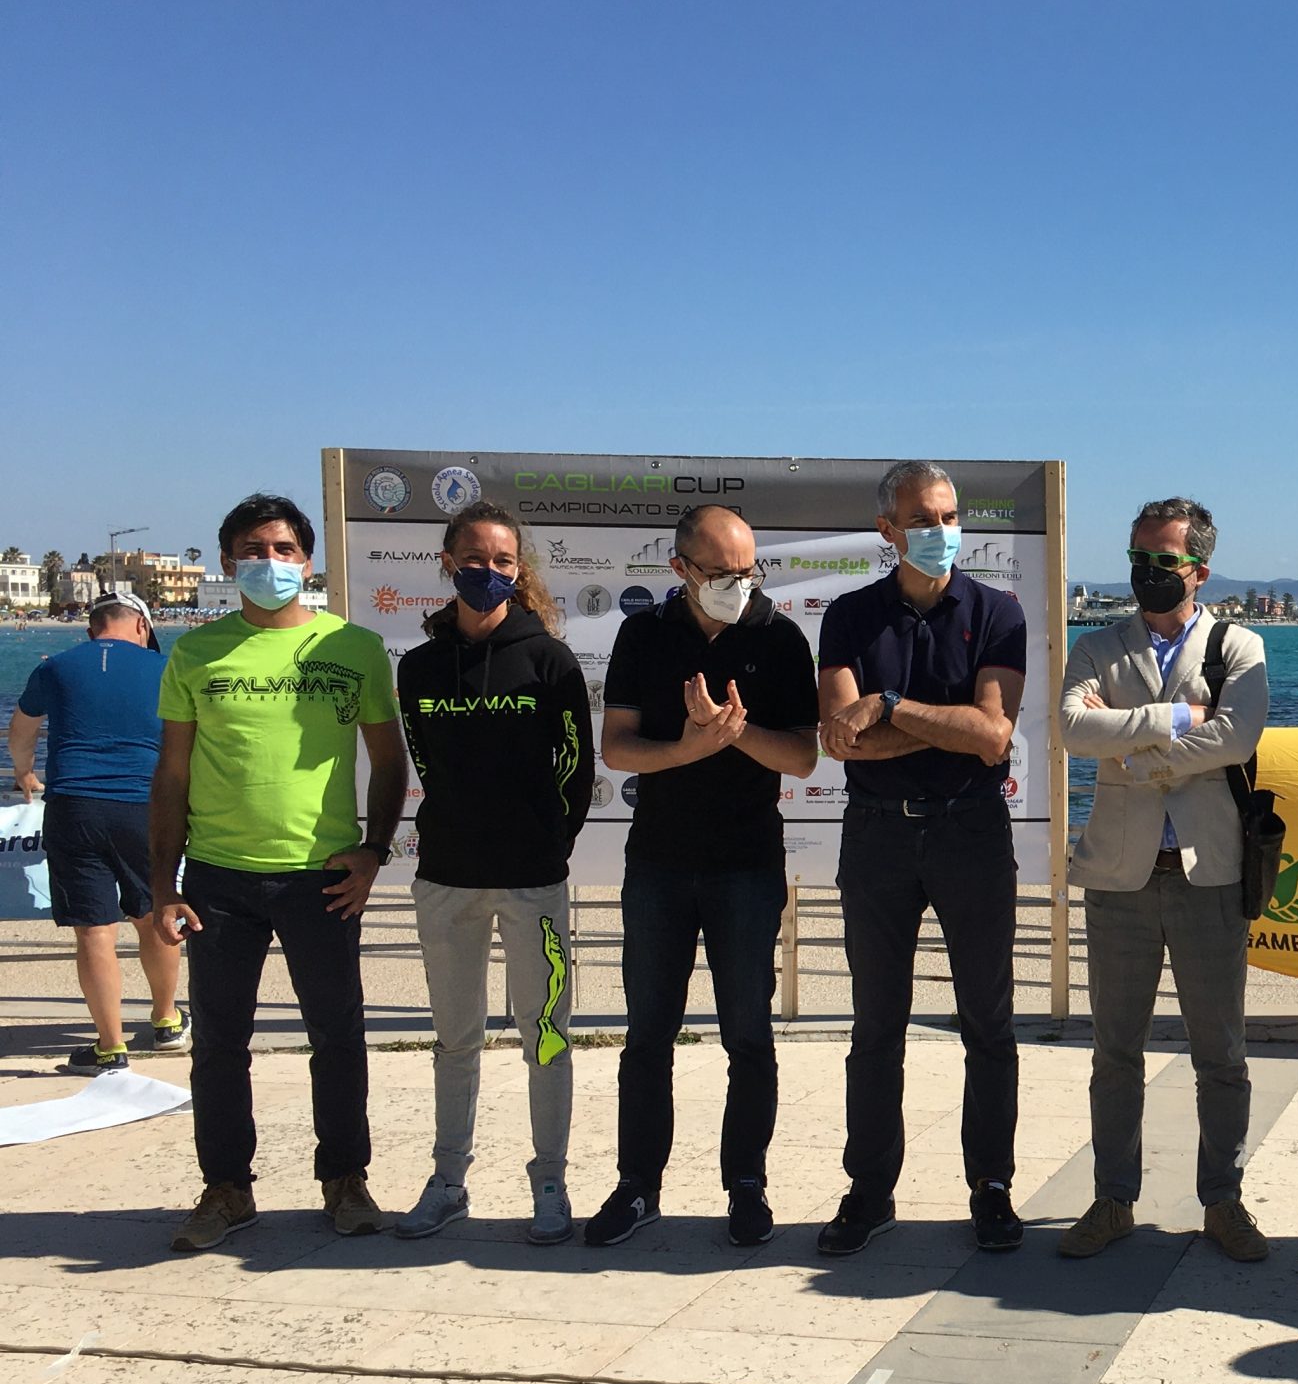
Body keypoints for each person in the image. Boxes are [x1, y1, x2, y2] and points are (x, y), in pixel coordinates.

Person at [154, 493, 406, 1250]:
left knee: (338, 1036)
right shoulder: (195, 653)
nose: (270, 563)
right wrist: (163, 885)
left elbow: (389, 760)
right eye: (254, 551)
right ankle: (227, 1188)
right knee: (218, 1044)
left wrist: (374, 850)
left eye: (285, 550)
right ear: (228, 562)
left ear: (308, 561)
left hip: (320, 877)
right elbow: (172, 774)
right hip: (217, 879)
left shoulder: (355, 647)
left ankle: (346, 1179)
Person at [587, 504, 818, 1249]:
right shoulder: (643, 634)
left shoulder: (779, 637)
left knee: (748, 1035)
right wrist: (688, 748)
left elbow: (803, 757)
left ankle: (746, 1184)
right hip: (658, 862)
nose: (738, 584)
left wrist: (733, 732)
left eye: (748, 570)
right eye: (721, 573)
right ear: (680, 569)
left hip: (746, 866)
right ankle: (637, 1186)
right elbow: (617, 749)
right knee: (647, 1035)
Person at [815, 461, 1028, 1258]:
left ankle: (993, 1187)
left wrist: (892, 706)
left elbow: (994, 737)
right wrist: (947, 726)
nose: (941, 531)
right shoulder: (849, 617)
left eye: (949, 515)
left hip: (972, 832)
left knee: (989, 1023)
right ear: (888, 530)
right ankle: (870, 1191)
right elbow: (843, 740)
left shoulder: (998, 612)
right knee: (876, 1025)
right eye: (922, 519)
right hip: (877, 836)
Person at [1055, 497, 1272, 1261]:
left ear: (1199, 570)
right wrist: (1177, 721)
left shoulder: (1238, 645)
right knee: (1115, 1052)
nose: (1147, 572)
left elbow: (1239, 736)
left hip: (1206, 875)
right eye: (1138, 558)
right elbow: (1071, 728)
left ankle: (1224, 1200)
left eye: (1163, 560)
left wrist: (1129, 748)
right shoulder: (1097, 645)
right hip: (1120, 877)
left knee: (1222, 1054)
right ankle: (1113, 1199)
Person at [391, 505, 596, 1244]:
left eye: (503, 561)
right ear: (448, 562)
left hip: (532, 881)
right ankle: (449, 1181)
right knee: (455, 1040)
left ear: (520, 570)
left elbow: (577, 770)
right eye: (474, 559)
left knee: (546, 1037)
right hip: (446, 878)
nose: (488, 571)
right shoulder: (419, 667)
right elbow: (425, 760)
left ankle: (550, 1181)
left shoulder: (550, 661)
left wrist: (545, 846)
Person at [9, 591, 186, 1071]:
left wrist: (24, 773)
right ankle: (166, 1021)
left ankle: (110, 1046)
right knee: (154, 914)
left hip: (75, 804)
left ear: (92, 630)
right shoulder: (166, 668)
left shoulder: (55, 667)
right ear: (142, 627)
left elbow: (22, 731)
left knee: (93, 929)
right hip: (145, 805)